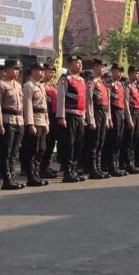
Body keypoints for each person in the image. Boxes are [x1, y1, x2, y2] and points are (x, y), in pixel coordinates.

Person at [0, 59, 26, 190]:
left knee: (13, 152)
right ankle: (7, 179)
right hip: (7, 121)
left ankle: (12, 177)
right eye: (14, 68)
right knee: (6, 152)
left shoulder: (18, 85)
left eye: (18, 69)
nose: (17, 71)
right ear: (6, 70)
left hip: (18, 120)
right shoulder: (0, 85)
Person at [56, 55, 89, 183]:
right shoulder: (65, 79)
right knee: (69, 144)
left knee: (78, 144)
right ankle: (67, 172)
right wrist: (61, 116)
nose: (79, 65)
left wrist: (85, 116)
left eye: (80, 63)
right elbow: (61, 99)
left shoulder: (81, 80)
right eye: (76, 63)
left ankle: (74, 169)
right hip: (69, 116)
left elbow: (83, 100)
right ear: (69, 65)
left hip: (80, 116)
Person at [21, 62, 50, 187]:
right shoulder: (28, 86)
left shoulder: (41, 86)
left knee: (41, 149)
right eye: (40, 70)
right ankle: (31, 176)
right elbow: (27, 106)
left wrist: (47, 122)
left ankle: (36, 174)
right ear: (32, 71)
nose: (42, 73)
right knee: (32, 150)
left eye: (43, 71)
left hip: (42, 121)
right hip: (35, 121)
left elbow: (45, 107)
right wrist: (30, 124)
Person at [84, 59, 112, 179]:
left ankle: (98, 167)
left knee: (101, 141)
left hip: (103, 112)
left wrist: (109, 118)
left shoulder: (103, 83)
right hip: (95, 112)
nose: (103, 69)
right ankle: (93, 169)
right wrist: (91, 119)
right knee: (94, 142)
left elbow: (107, 103)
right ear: (95, 68)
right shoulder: (91, 82)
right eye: (101, 67)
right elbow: (89, 102)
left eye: (104, 67)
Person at [123, 66, 139, 174]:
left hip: (136, 113)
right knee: (129, 140)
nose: (138, 75)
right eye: (136, 73)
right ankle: (128, 164)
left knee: (135, 140)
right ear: (130, 74)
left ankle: (132, 162)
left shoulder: (136, 87)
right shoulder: (127, 86)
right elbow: (126, 103)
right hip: (130, 113)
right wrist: (129, 119)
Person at [39, 63, 59, 178]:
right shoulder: (41, 85)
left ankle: (46, 165)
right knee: (44, 144)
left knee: (51, 143)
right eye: (49, 71)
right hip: (45, 116)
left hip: (54, 116)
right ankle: (41, 168)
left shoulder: (54, 86)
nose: (51, 74)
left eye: (53, 72)